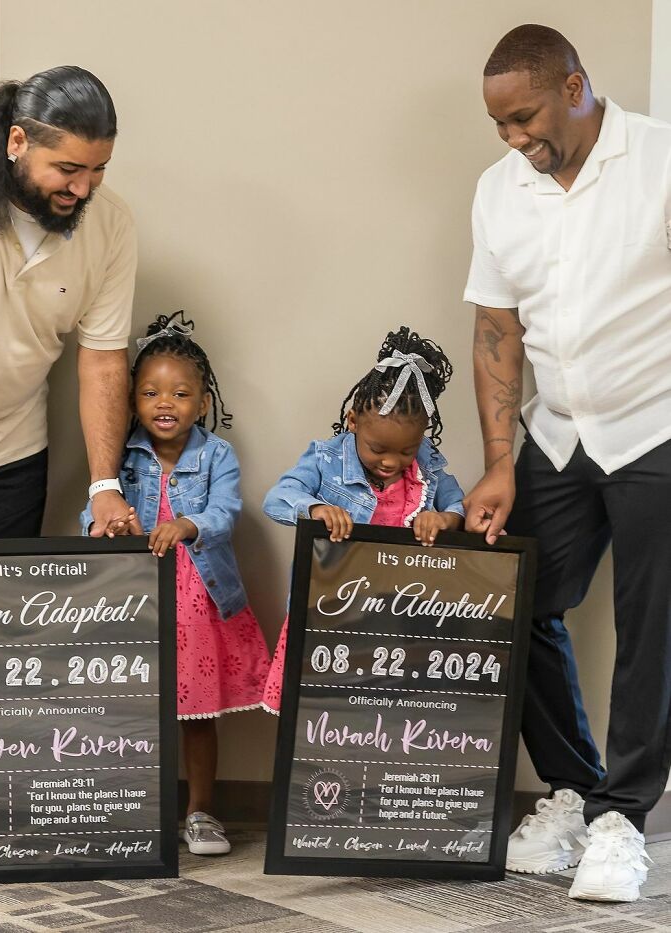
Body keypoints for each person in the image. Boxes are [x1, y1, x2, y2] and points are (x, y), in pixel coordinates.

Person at [463, 23, 671, 901]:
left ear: (576, 85)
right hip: (556, 434)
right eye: (501, 126)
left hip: (655, 426)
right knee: (521, 605)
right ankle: (575, 789)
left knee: (649, 626)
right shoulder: (500, 189)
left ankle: (624, 819)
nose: (516, 140)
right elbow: (496, 329)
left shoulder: (659, 162)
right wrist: (501, 461)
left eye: (526, 117)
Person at [81, 312, 271, 854]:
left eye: (181, 393)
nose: (165, 403)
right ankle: (131, 807)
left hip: (199, 600)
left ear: (204, 402)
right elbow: (89, 514)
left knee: (196, 714)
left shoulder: (218, 456)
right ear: (132, 402)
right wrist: (103, 523)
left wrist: (189, 524)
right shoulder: (117, 457)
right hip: (135, 599)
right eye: (150, 393)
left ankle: (202, 811)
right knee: (131, 710)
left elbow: (227, 511)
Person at [0, 66, 138, 541]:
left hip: (11, 452)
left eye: (98, 169)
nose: (83, 189)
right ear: (17, 141)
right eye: (67, 169)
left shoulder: (111, 226)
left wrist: (103, 485)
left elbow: (103, 360)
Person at [261, 326, 465, 713]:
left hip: (397, 616)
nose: (391, 462)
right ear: (353, 421)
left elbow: (457, 504)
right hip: (331, 611)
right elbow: (276, 499)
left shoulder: (428, 467)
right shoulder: (326, 459)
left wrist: (445, 519)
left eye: (406, 450)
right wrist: (316, 510)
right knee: (321, 709)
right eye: (378, 449)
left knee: (378, 711)